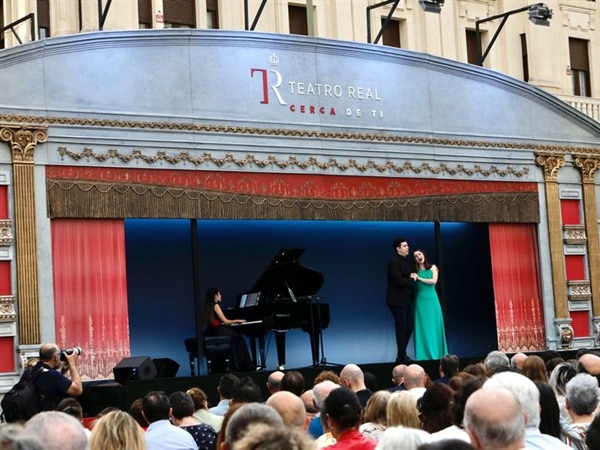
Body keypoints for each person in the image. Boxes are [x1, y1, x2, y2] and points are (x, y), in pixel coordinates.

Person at [201, 287, 254, 372]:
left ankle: (236, 365)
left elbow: (213, 321)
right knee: (239, 339)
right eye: (219, 294)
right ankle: (242, 366)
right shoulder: (216, 305)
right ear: (215, 295)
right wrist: (237, 320)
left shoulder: (208, 306)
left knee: (235, 338)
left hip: (211, 331)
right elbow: (226, 321)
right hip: (217, 331)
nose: (221, 296)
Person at [19, 343, 83, 412]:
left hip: (28, 416)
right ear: (55, 357)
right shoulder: (52, 375)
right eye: (59, 354)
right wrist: (72, 364)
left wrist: (62, 372)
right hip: (45, 419)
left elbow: (50, 384)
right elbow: (78, 390)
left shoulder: (29, 370)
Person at [386, 237, 417, 364]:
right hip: (397, 299)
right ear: (398, 248)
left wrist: (413, 276)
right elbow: (398, 280)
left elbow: (413, 273)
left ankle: (401, 353)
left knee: (410, 325)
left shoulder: (408, 261)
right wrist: (411, 280)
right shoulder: (393, 262)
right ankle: (402, 355)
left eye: (407, 245)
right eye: (404, 246)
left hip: (408, 298)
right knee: (401, 326)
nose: (407, 247)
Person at [412, 250, 447, 361]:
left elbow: (434, 281)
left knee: (434, 325)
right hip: (420, 301)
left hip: (432, 300)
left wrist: (419, 278)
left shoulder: (433, 267)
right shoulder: (415, 271)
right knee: (423, 327)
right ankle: (423, 355)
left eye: (419, 254)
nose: (418, 257)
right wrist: (414, 276)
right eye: (416, 256)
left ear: (423, 255)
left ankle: (438, 353)